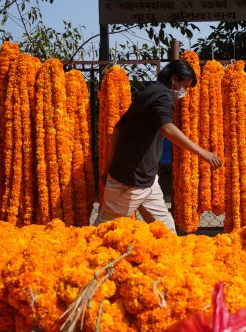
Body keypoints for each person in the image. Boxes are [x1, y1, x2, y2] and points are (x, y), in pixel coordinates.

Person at [95, 60, 222, 233]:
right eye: (185, 86)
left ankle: (170, 259)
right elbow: (167, 128)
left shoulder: (150, 91)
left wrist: (111, 164)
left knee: (166, 232)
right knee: (103, 232)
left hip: (147, 180)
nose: (185, 92)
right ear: (174, 79)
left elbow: (118, 127)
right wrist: (203, 153)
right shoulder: (163, 96)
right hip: (129, 183)